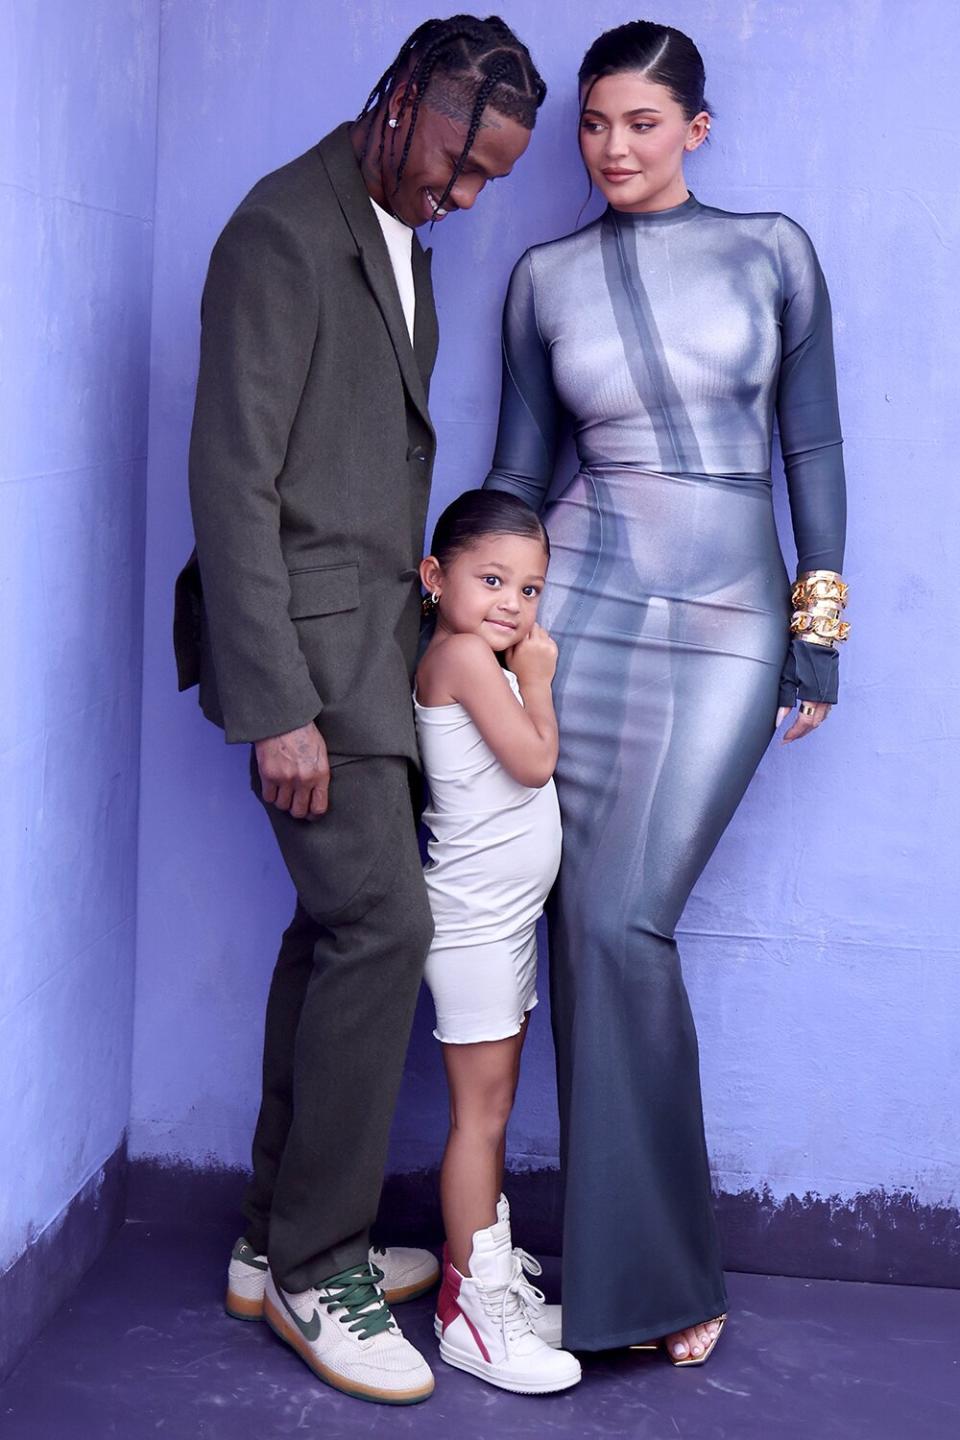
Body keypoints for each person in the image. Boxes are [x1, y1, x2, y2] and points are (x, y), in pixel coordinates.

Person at [172, 16, 546, 1406]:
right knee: (385, 921)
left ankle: (274, 1240)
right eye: (460, 162)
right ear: (401, 100)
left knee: (336, 930)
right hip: (302, 669)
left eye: (487, 184)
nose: (462, 197)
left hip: (372, 657)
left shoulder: (402, 236)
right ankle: (320, 1266)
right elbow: (235, 485)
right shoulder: (281, 232)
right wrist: (275, 708)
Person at [484, 20, 850, 1364]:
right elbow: (520, 479)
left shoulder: (773, 254)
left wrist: (822, 627)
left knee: (627, 916)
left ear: (698, 127)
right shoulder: (542, 277)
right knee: (581, 921)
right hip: (578, 611)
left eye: (643, 123)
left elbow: (810, 442)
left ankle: (655, 1271)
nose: (614, 148)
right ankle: (628, 1275)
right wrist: (471, 625)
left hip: (728, 618)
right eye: (595, 125)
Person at [414, 490, 581, 1395]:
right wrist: (542, 679)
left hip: (502, 922)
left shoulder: (482, 652)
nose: (513, 605)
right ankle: (475, 1316)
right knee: (478, 1118)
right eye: (490, 580)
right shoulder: (465, 656)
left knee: (494, 1109)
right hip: (474, 925)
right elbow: (533, 763)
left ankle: (481, 1279)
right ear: (435, 578)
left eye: (529, 588)